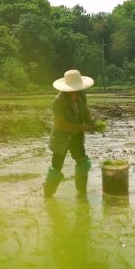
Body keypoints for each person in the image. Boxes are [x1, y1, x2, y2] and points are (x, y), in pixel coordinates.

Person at [44, 69, 97, 197]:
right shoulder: (59, 101)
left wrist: (90, 122)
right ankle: (48, 194)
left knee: (83, 162)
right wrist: (81, 126)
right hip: (61, 138)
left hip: (76, 136)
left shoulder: (81, 95)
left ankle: (81, 192)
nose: (75, 90)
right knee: (56, 167)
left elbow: (85, 110)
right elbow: (60, 124)